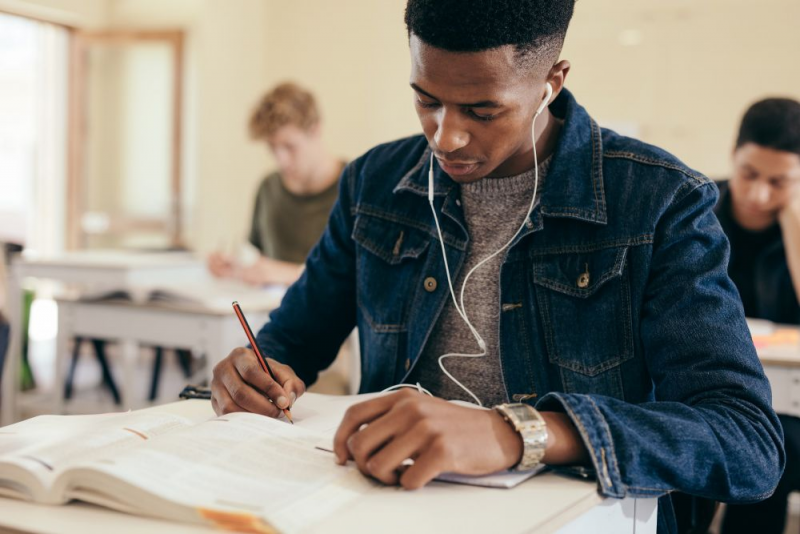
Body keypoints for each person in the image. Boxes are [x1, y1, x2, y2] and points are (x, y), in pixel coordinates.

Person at [210, 2, 784, 532]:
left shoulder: (659, 201)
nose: (446, 136)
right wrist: (252, 377)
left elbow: (747, 442)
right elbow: (288, 347)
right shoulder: (374, 185)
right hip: (389, 512)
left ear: (551, 83)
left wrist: (519, 432)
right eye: (426, 99)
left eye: (482, 110)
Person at [714, 98, 800, 534]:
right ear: (734, 154)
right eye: (749, 174)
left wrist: (795, 225)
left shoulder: (796, 229)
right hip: (707, 384)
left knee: (774, 445)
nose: (758, 194)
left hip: (786, 402)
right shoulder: (695, 209)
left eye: (778, 182)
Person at [208, 82, 345, 286]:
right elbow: (257, 258)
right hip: (273, 312)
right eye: (272, 148)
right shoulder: (268, 188)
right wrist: (233, 266)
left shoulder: (356, 188)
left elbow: (360, 277)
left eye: (289, 147)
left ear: (315, 131)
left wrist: (289, 273)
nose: (281, 160)